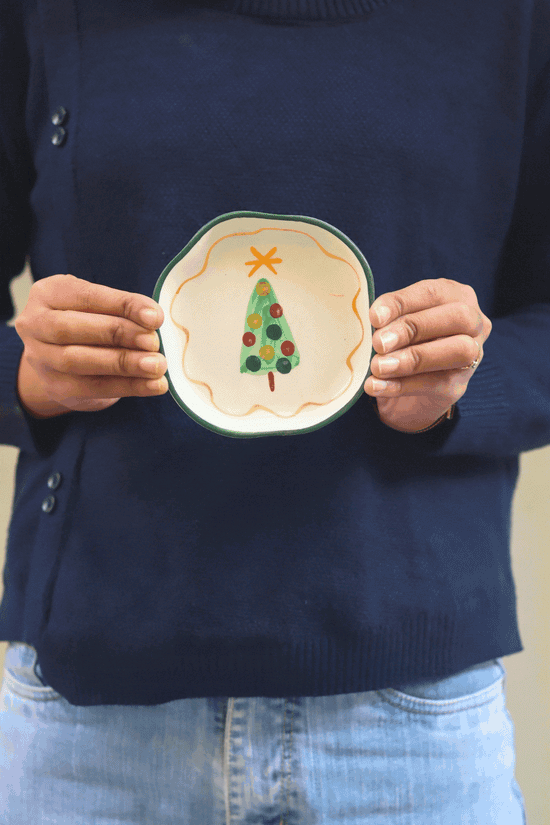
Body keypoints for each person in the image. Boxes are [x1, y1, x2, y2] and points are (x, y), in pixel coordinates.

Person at [1, 0, 547, 821]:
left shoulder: (514, 19)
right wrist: (25, 372)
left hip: (410, 720)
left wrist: (472, 382)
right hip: (94, 721)